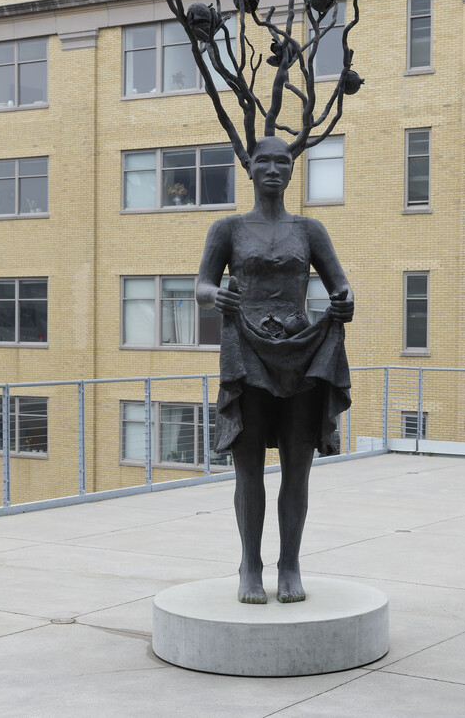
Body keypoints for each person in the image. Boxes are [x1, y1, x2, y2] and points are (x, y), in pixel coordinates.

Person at [196, 136, 354, 603]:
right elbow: (202, 284)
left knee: (296, 470)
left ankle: (290, 564)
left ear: (291, 169)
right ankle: (250, 564)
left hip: (300, 353)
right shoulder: (228, 228)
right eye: (263, 161)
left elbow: (340, 284)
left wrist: (345, 302)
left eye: (282, 162)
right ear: (249, 168)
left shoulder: (310, 230)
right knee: (248, 468)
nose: (272, 169)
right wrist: (215, 295)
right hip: (246, 351)